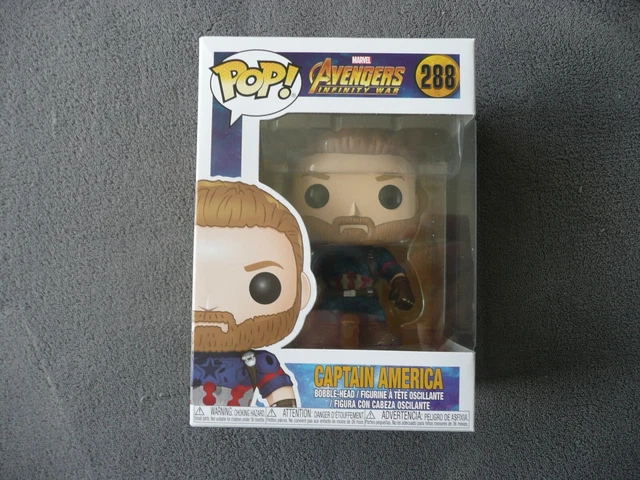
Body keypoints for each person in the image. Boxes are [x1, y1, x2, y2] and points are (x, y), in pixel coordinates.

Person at [288, 129, 419, 349]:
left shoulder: (376, 254)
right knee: (321, 333)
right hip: (332, 299)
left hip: (368, 300)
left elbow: (393, 271)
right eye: (318, 193)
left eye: (388, 196)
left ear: (416, 202)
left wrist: (401, 285)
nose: (353, 211)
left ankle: (376, 334)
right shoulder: (323, 253)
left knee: (378, 334)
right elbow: (305, 273)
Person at [191, 180, 311, 407]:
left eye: (262, 284)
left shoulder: (259, 362)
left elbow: (284, 406)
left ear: (302, 291)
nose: (211, 303)